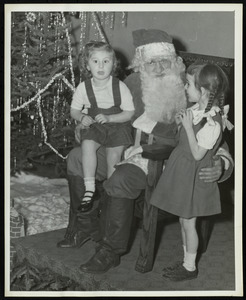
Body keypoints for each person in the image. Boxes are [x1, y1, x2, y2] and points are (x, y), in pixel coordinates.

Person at [57, 29, 234, 275]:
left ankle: (111, 250)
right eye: (152, 62)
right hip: (122, 145)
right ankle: (85, 225)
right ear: (140, 64)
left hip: (165, 162)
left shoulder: (190, 89)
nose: (160, 68)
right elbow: (106, 112)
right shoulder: (129, 85)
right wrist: (86, 125)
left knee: (121, 178)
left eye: (165, 61)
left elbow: (215, 137)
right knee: (77, 158)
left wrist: (222, 164)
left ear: (175, 62)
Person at [150, 63, 233, 281]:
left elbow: (197, 154)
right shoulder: (197, 110)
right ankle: (187, 259)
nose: (185, 88)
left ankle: (190, 267)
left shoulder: (213, 122)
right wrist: (182, 124)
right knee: (182, 221)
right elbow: (185, 141)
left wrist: (187, 127)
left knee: (189, 223)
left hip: (193, 177)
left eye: (188, 84)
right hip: (182, 171)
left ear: (204, 90)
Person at [70, 41, 135, 212]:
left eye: (106, 61)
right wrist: (82, 117)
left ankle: (110, 193)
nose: (101, 66)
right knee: (87, 145)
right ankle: (89, 187)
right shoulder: (83, 87)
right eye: (95, 61)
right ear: (87, 65)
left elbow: (129, 112)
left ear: (113, 64)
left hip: (117, 125)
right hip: (96, 125)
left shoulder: (120, 86)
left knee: (113, 155)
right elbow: (74, 111)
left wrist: (110, 117)